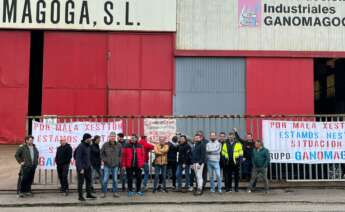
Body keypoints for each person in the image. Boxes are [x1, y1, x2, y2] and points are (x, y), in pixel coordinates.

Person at [75, 133, 96, 201]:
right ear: (86, 139)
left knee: (89, 181)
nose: (91, 139)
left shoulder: (88, 146)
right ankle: (80, 196)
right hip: (82, 168)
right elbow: (77, 158)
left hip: (88, 167)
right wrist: (80, 168)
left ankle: (88, 194)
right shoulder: (81, 146)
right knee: (81, 182)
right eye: (90, 138)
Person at [100, 132, 122, 198]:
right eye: (111, 136)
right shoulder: (105, 145)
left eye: (114, 136)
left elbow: (121, 154)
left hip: (115, 165)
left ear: (115, 137)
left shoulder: (119, 145)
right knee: (105, 180)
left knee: (115, 180)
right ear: (109, 137)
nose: (112, 137)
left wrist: (118, 161)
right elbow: (101, 153)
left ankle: (115, 192)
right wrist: (105, 160)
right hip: (107, 165)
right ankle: (104, 193)